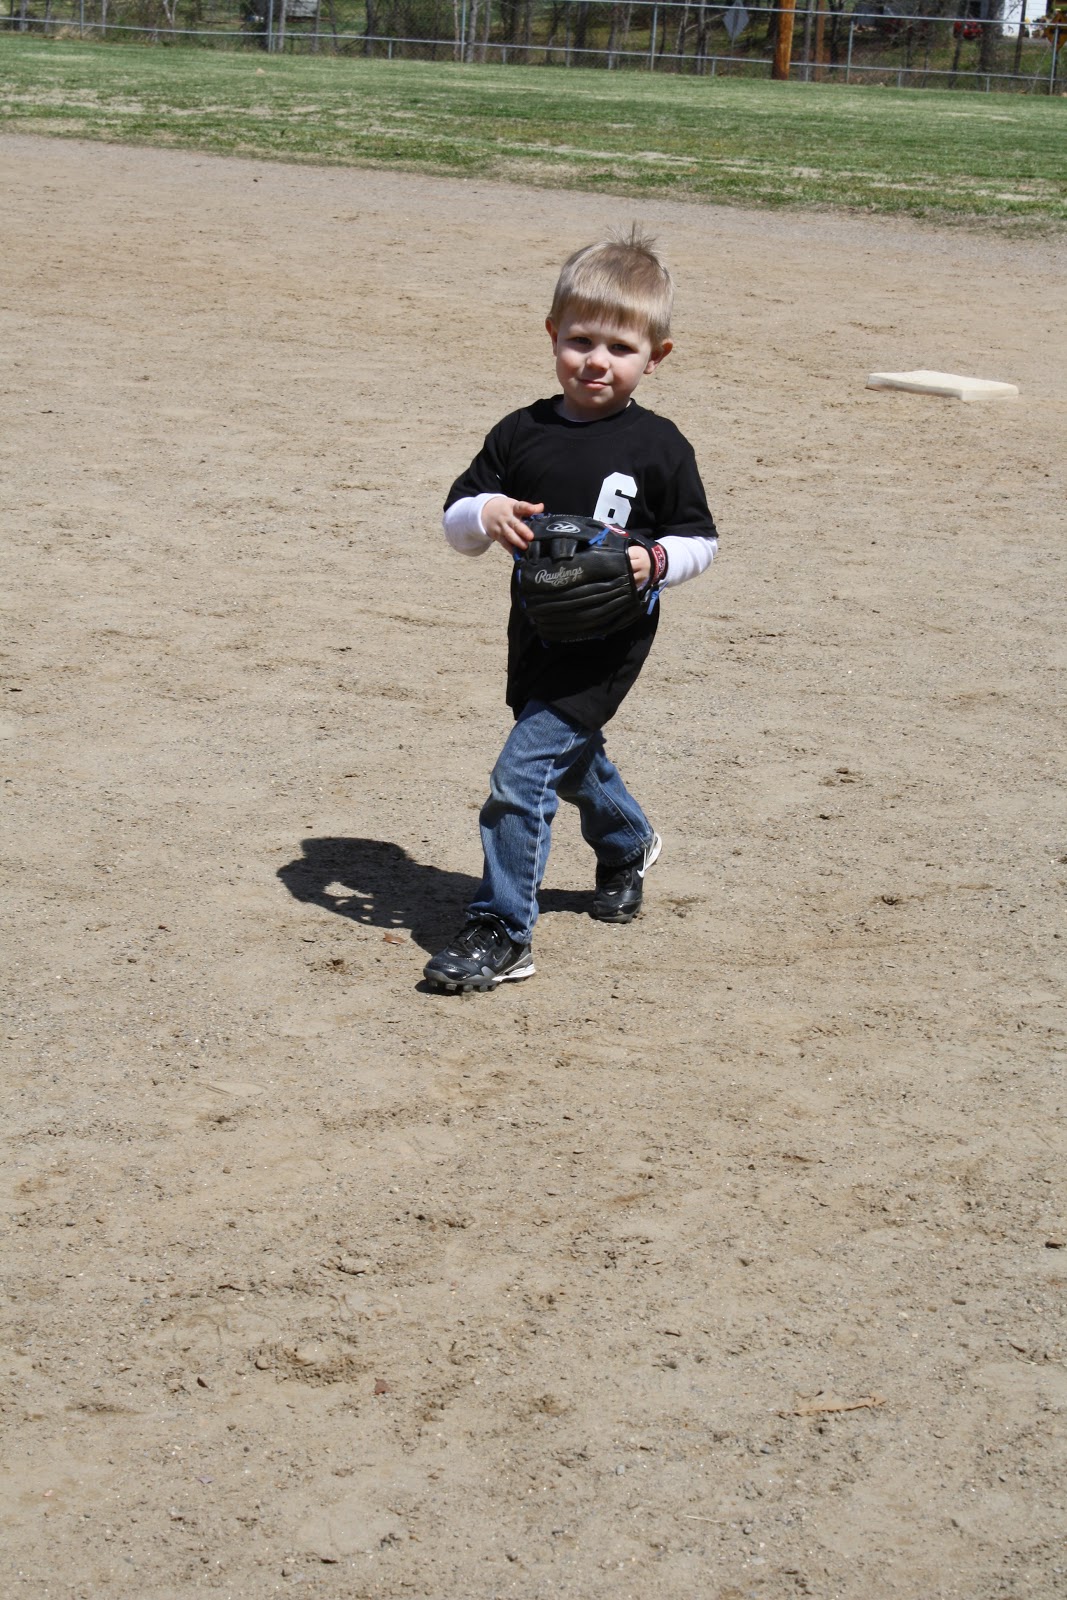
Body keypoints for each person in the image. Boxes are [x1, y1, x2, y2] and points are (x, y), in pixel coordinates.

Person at [423, 227, 718, 994]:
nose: (596, 360)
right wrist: (483, 513)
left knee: (522, 772)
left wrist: (655, 559)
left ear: (656, 357)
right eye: (580, 339)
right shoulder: (521, 432)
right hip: (538, 627)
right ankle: (627, 842)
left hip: (610, 635)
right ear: (553, 335)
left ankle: (502, 929)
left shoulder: (659, 447)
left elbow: (699, 539)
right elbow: (457, 519)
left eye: (620, 347)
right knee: (565, 754)